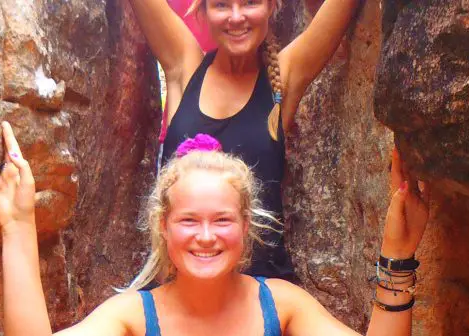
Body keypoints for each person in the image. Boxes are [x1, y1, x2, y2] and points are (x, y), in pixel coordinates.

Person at [0, 123, 430, 336]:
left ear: (245, 226)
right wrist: (17, 225)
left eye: (222, 219)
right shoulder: (133, 318)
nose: (206, 236)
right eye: (189, 220)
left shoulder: (280, 304)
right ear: (163, 228)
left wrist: (398, 253)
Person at [129, 0, 362, 282]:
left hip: (262, 291)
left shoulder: (283, 78)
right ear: (202, 12)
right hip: (180, 286)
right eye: (222, 5)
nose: (236, 17)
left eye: (250, 2)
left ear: (271, 7)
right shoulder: (185, 65)